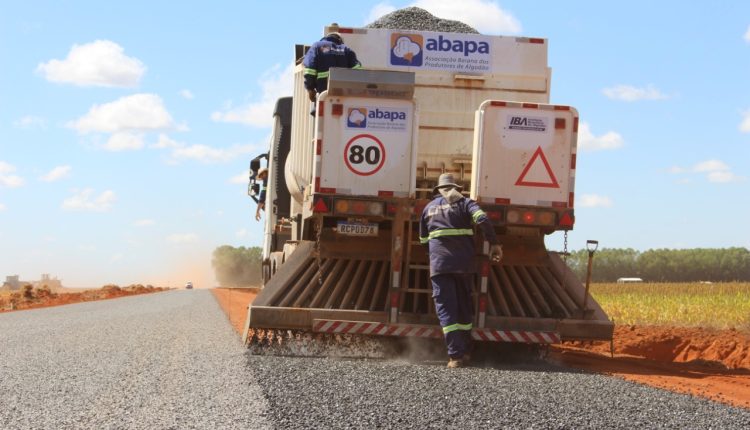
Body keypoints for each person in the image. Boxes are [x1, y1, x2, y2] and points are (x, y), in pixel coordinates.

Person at [419, 173, 503, 368]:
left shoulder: (428, 208)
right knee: (464, 306)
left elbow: (423, 241)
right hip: (463, 265)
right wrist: (495, 243)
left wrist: (436, 255)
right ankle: (465, 352)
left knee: (446, 309)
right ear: (456, 188)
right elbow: (482, 218)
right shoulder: (465, 203)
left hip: (440, 266)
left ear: (438, 190)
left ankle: (455, 356)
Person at [303, 32, 362, 113]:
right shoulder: (346, 49)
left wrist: (310, 89)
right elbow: (358, 71)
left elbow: (309, 70)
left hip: (323, 95)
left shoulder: (317, 46)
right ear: (339, 40)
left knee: (321, 120)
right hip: (343, 97)